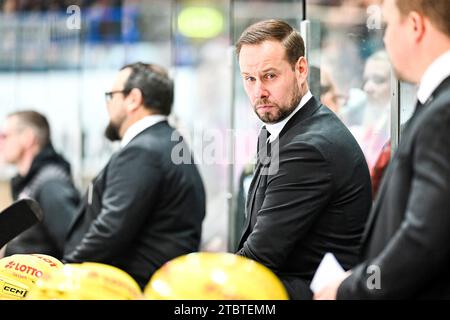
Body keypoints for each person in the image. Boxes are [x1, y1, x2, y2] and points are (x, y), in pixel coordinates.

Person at [315, 0, 450, 299]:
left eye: (388, 25)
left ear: (416, 26)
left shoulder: (443, 113)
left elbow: (425, 240)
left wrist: (350, 289)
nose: (385, 38)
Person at [234, 19, 372, 300]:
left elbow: (260, 258)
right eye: (249, 78)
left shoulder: (308, 148)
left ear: (301, 69)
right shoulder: (284, 128)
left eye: (270, 76)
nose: (258, 91)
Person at [63, 62, 206, 289]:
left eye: (111, 95)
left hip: (135, 287)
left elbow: (111, 229)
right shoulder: (168, 141)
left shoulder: (142, 151)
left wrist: (65, 271)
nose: (108, 105)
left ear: (133, 99)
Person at [0, 110, 79, 259]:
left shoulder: (51, 185)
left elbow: (75, 248)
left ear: (28, 138)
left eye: (4, 136)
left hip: (45, 281)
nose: (1, 143)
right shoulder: (29, 183)